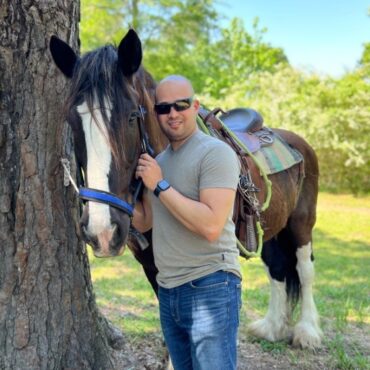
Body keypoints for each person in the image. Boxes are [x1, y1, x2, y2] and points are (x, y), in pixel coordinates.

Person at [133, 75, 242, 370]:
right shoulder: (159, 162)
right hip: (168, 289)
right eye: (163, 108)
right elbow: (145, 223)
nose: (172, 114)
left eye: (180, 105)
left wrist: (159, 185)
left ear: (195, 106)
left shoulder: (215, 153)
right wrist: (111, 196)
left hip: (211, 284)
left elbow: (210, 226)